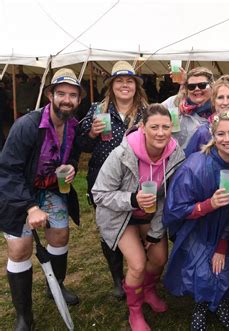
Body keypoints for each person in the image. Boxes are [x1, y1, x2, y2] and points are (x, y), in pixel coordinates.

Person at [0, 68, 83, 330]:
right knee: (20, 249)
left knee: (60, 236)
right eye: (61, 94)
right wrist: (31, 207)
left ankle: (55, 286)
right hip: (19, 192)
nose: (67, 99)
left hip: (51, 189)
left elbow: (71, 157)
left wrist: (71, 168)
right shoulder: (27, 125)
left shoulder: (73, 126)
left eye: (72, 95)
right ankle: (24, 315)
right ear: (50, 95)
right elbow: (7, 170)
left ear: (79, 100)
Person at [92, 103, 184, 331]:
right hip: (120, 215)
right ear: (143, 127)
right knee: (137, 264)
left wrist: (154, 232)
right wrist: (132, 199)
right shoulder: (122, 153)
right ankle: (135, 312)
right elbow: (99, 194)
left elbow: (168, 197)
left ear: (172, 128)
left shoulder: (176, 154)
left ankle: (148, 291)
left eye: (165, 127)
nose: (160, 133)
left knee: (160, 258)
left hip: (151, 215)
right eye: (154, 127)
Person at [163, 111, 229, 331]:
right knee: (201, 271)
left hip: (227, 229)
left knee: (222, 269)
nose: (227, 139)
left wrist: (222, 243)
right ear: (213, 136)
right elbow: (175, 208)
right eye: (221, 134)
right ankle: (200, 306)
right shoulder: (196, 165)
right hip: (195, 228)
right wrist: (208, 205)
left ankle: (220, 304)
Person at [78, 60, 148, 299]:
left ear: (136, 86)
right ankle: (118, 280)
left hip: (134, 179)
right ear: (111, 85)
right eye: (120, 81)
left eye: (129, 81)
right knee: (109, 229)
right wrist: (92, 133)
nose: (125, 85)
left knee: (136, 227)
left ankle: (139, 273)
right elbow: (83, 146)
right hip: (103, 180)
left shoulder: (145, 112)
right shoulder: (98, 110)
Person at [184, 74, 229, 157]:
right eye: (220, 97)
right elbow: (189, 161)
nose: (225, 102)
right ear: (213, 101)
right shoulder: (203, 132)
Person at [161, 67, 214, 148]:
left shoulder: (220, 107)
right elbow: (152, 115)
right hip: (176, 157)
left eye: (202, 85)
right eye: (191, 86)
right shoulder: (175, 103)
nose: (197, 89)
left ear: (212, 86)